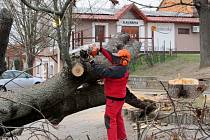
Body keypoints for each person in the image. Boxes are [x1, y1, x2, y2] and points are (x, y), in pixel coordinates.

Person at [89, 46, 131, 140]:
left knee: (109, 119)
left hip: (113, 100)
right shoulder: (122, 67)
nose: (115, 59)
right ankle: (122, 138)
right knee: (118, 118)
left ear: (123, 60)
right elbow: (111, 57)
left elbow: (103, 72)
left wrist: (92, 63)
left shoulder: (117, 70)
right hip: (119, 99)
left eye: (118, 57)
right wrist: (101, 49)